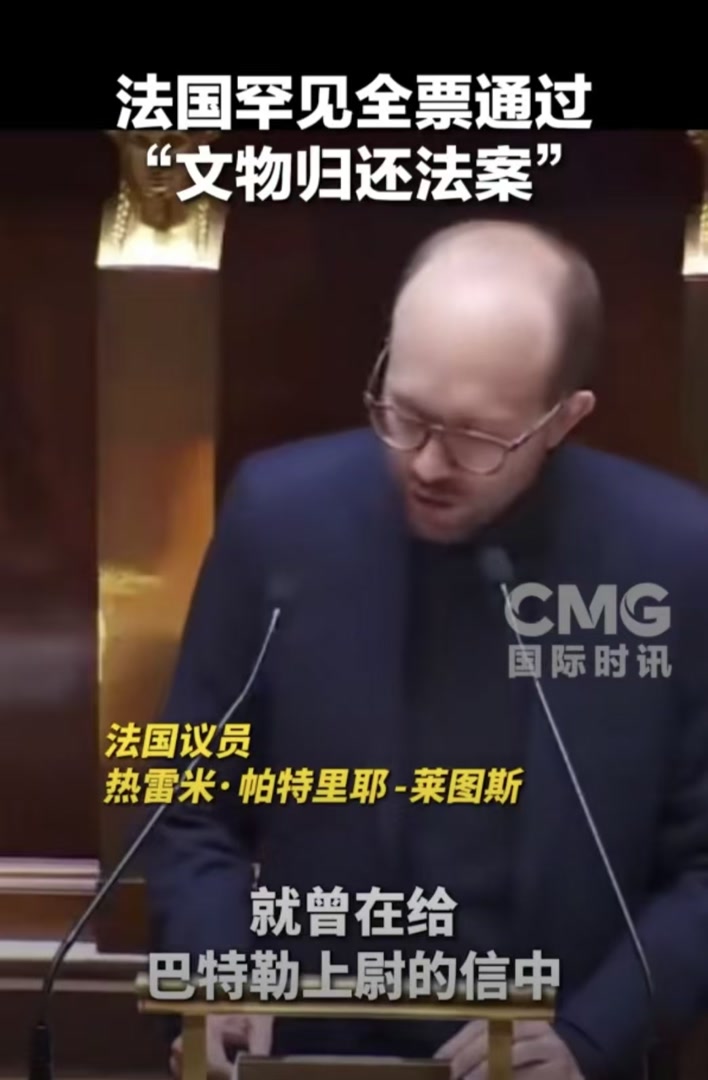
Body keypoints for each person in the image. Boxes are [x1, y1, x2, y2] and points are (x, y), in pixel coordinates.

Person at [145, 219, 708, 1079]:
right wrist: (218, 976)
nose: (427, 464)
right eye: (403, 414)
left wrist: (593, 1036)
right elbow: (188, 803)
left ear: (564, 419)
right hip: (305, 1051)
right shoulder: (280, 517)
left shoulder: (671, 557)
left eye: (477, 437)